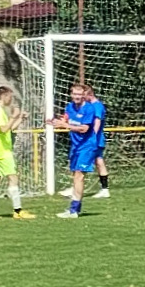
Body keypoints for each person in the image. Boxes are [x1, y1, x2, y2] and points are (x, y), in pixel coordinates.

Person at [0, 86, 34, 219]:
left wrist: (20, 118)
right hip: (2, 151)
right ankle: (18, 211)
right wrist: (13, 116)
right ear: (4, 96)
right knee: (13, 178)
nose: (11, 100)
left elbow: (9, 129)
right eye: (10, 97)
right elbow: (3, 129)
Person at [53, 84, 99, 218]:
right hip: (75, 146)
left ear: (84, 95)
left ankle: (74, 210)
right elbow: (66, 118)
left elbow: (84, 129)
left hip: (87, 146)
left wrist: (65, 125)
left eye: (79, 94)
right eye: (74, 94)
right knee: (75, 176)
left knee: (79, 176)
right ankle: (73, 209)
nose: (77, 97)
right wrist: (57, 122)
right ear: (71, 94)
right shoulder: (70, 107)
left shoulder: (89, 109)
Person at [61, 84, 111, 199]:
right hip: (85, 141)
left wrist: (92, 137)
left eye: (82, 95)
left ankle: (103, 189)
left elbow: (96, 122)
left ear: (88, 94)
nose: (80, 97)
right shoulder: (74, 106)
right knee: (96, 162)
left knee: (97, 162)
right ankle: (78, 188)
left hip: (93, 140)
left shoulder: (95, 107)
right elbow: (68, 116)